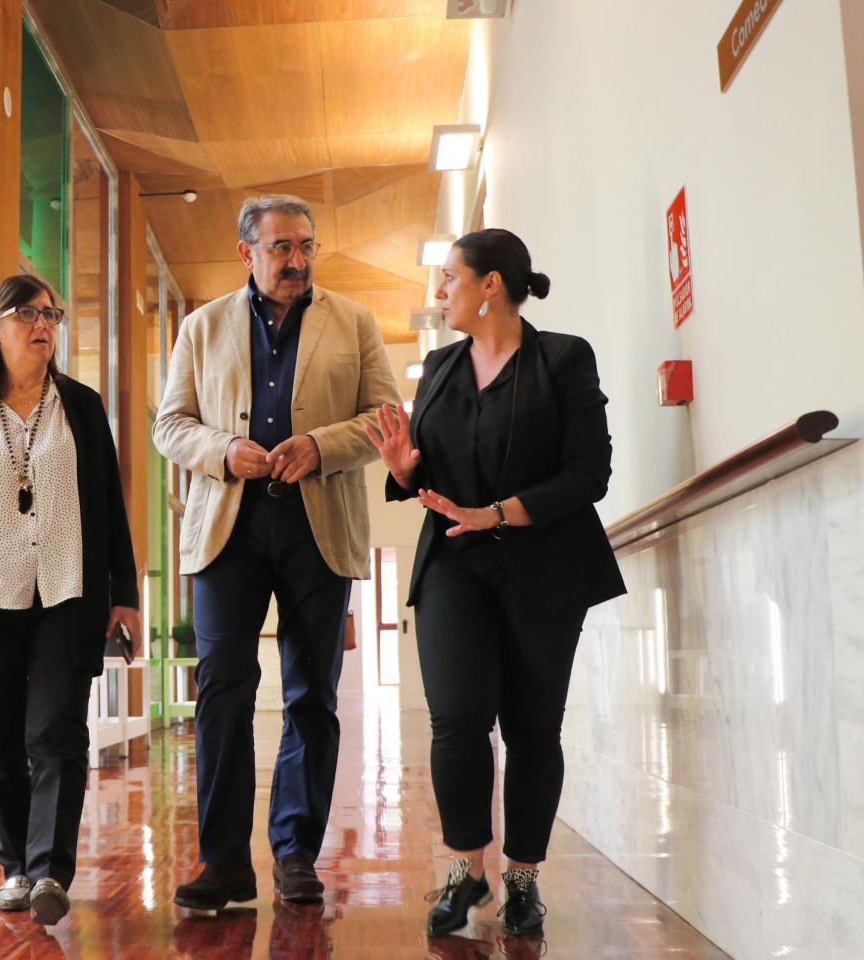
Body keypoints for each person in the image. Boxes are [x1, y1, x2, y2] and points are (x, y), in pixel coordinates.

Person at [364, 228, 626, 938]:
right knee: (457, 720)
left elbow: (589, 472)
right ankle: (463, 872)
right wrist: (403, 469)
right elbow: (429, 473)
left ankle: (522, 881)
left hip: (542, 562)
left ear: (491, 285)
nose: (440, 290)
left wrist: (498, 514)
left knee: (533, 729)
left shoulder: (563, 358)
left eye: (450, 277)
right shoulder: (443, 367)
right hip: (454, 560)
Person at [153, 194, 400, 911]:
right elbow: (171, 426)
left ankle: (296, 852)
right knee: (222, 692)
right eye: (281, 248)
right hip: (227, 530)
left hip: (316, 524)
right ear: (247, 253)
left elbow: (385, 417)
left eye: (305, 246)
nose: (296, 260)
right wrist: (224, 450)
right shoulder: (201, 327)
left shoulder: (352, 323)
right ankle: (224, 861)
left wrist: (320, 446)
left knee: (310, 695)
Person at [0, 273, 142, 926]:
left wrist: (124, 593)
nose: (43, 323)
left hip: (66, 591)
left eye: (52, 313)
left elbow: (109, 505)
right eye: (27, 313)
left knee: (55, 733)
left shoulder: (82, 405)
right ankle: (16, 865)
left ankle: (50, 871)